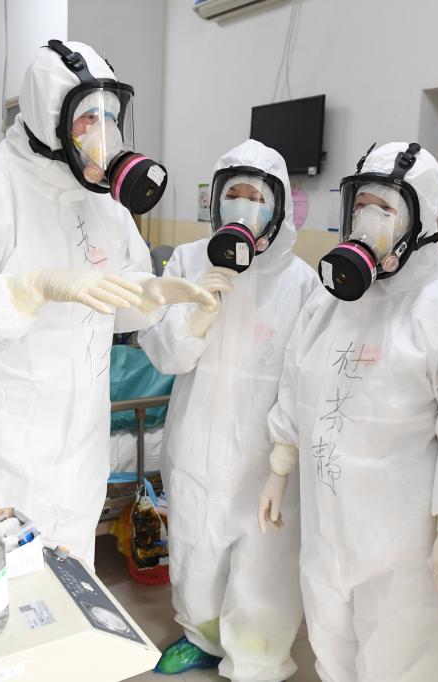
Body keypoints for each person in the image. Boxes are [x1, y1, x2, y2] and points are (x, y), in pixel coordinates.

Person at [0, 41, 214, 565]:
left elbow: (114, 306)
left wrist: (148, 297)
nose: (103, 133)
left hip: (76, 468)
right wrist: (27, 290)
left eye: (112, 117)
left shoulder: (107, 209)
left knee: (68, 600)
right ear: (49, 115)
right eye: (88, 117)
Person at [258, 142, 438, 681]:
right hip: (328, 531)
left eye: (387, 208)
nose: (369, 220)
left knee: (403, 657)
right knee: (331, 643)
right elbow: (295, 384)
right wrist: (280, 465)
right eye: (361, 205)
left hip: (405, 549)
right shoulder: (328, 304)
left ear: (422, 220)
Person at [140, 139, 317, 680]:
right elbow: (166, 356)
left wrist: (283, 461)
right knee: (195, 544)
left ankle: (257, 657)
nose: (244, 206)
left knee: (263, 560)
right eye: (234, 194)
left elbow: (303, 379)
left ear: (279, 206)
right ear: (216, 199)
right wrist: (195, 315)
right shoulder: (189, 260)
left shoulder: (300, 281)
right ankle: (200, 637)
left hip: (264, 453)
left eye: (257, 197)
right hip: (197, 437)